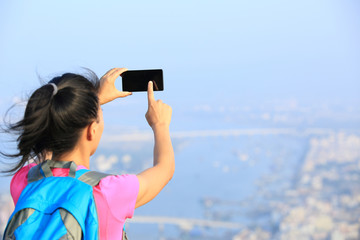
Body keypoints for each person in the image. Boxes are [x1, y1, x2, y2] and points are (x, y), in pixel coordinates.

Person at [1, 68, 175, 239]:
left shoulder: (25, 180)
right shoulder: (107, 192)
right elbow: (164, 169)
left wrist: (89, 105)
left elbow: (50, 138)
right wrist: (160, 124)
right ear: (92, 130)